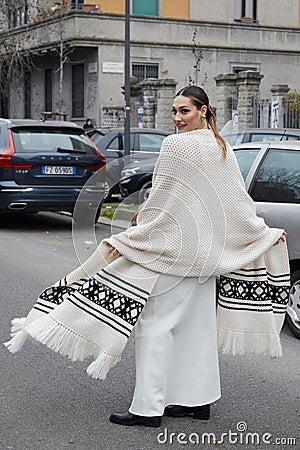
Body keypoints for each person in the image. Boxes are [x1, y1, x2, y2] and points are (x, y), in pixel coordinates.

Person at [4, 86, 288, 429]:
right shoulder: (221, 147)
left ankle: (149, 408)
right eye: (174, 111)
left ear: (203, 110)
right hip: (204, 257)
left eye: (184, 111)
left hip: (171, 253)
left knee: (154, 327)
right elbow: (237, 202)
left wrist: (140, 229)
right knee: (194, 330)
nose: (177, 118)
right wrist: (262, 232)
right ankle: (197, 402)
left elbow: (162, 201)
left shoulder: (175, 146)